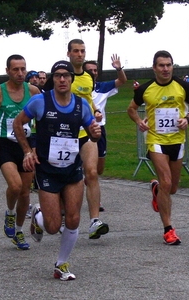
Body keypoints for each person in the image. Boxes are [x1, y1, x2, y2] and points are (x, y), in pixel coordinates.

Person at [13, 60, 101, 280]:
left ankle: (61, 265)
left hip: (72, 169)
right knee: (53, 227)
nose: (62, 79)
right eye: (58, 75)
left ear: (72, 78)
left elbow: (91, 131)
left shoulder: (81, 105)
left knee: (72, 220)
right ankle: (39, 216)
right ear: (53, 79)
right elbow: (18, 123)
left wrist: (95, 133)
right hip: (47, 170)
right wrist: (27, 151)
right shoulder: (40, 101)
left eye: (66, 75)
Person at [127, 50, 189, 245]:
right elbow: (131, 109)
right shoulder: (145, 89)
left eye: (168, 65)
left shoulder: (183, 87)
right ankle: (168, 229)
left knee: (172, 188)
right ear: (154, 68)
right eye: (161, 65)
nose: (165, 69)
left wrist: (187, 119)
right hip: (155, 140)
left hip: (177, 141)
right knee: (167, 182)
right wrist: (139, 122)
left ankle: (156, 189)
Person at [0, 54, 40, 250]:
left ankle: (19, 231)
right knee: (15, 186)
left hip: (27, 145)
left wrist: (36, 147)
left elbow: (41, 118)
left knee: (25, 192)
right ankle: (10, 213)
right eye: (16, 69)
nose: (20, 73)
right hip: (6, 143)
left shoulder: (33, 91)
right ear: (7, 71)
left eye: (23, 69)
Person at [67, 38, 109, 239]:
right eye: (75, 51)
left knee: (91, 173)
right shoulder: (61, 75)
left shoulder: (87, 78)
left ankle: (94, 221)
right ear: (69, 54)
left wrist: (96, 112)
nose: (80, 54)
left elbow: (89, 101)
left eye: (82, 51)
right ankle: (50, 212)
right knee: (64, 178)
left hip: (85, 134)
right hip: (64, 137)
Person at [83, 54, 127, 177]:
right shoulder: (76, 87)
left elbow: (122, 81)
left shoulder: (103, 87)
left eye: (95, 70)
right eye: (89, 70)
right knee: (87, 168)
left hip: (99, 129)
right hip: (81, 130)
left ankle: (88, 180)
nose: (93, 72)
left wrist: (118, 68)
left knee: (99, 169)